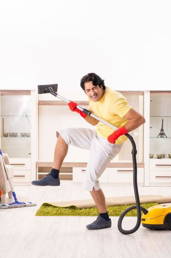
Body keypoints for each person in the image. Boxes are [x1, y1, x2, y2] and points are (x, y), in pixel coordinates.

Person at [32, 73, 145, 230]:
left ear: (101, 85)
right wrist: (80, 111)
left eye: (94, 88)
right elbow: (95, 121)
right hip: (98, 136)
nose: (92, 93)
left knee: (90, 181)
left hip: (109, 143)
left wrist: (117, 134)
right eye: (88, 91)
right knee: (64, 134)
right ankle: (53, 175)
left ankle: (104, 218)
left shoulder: (114, 99)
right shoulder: (94, 100)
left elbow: (139, 119)